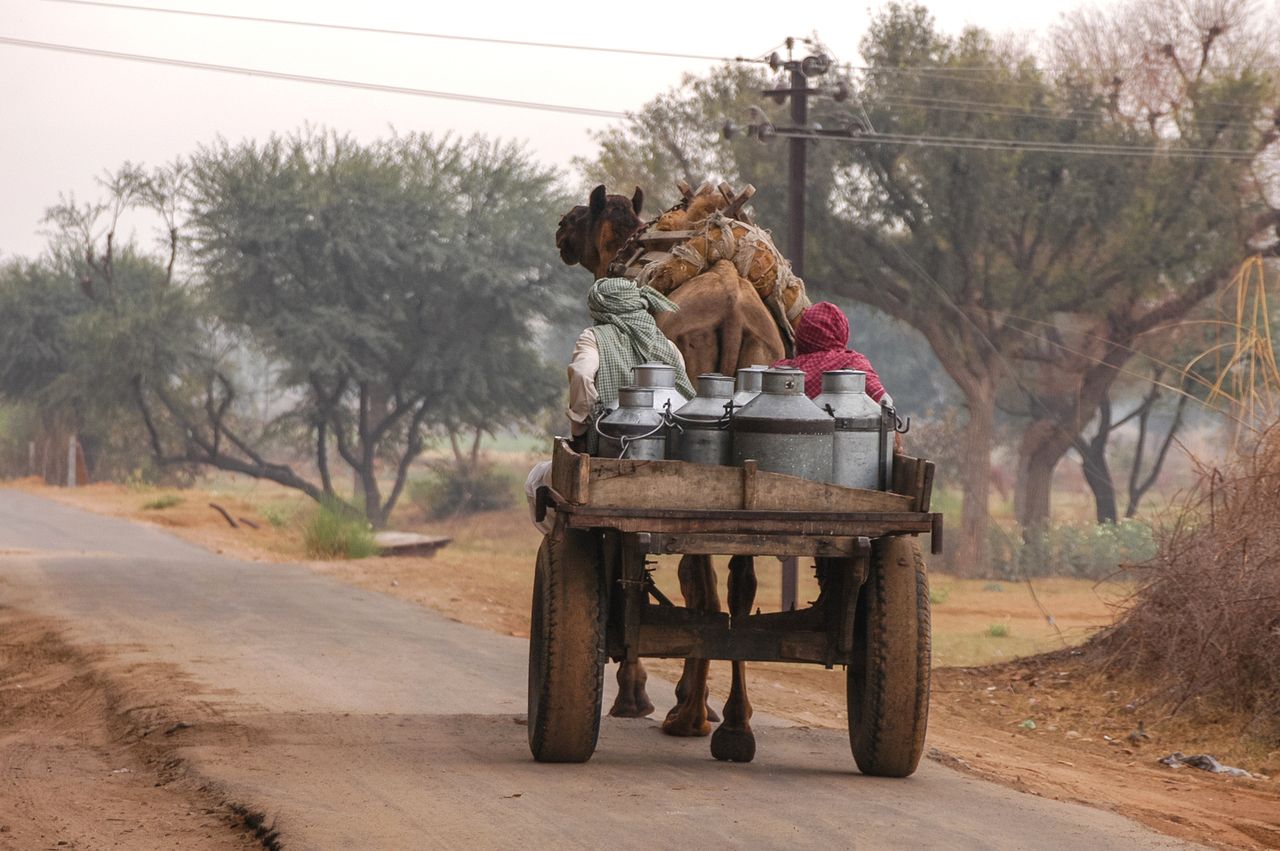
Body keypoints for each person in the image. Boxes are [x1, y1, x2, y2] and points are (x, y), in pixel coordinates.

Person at [526, 278, 695, 532]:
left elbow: (582, 375)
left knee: (535, 481)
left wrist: (583, 426)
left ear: (600, 309)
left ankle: (571, 542)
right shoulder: (667, 346)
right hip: (672, 462)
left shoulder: (593, 337)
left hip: (609, 453)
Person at [773, 302, 891, 404]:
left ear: (801, 334)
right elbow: (883, 400)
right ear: (842, 331)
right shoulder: (852, 361)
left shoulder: (781, 369)